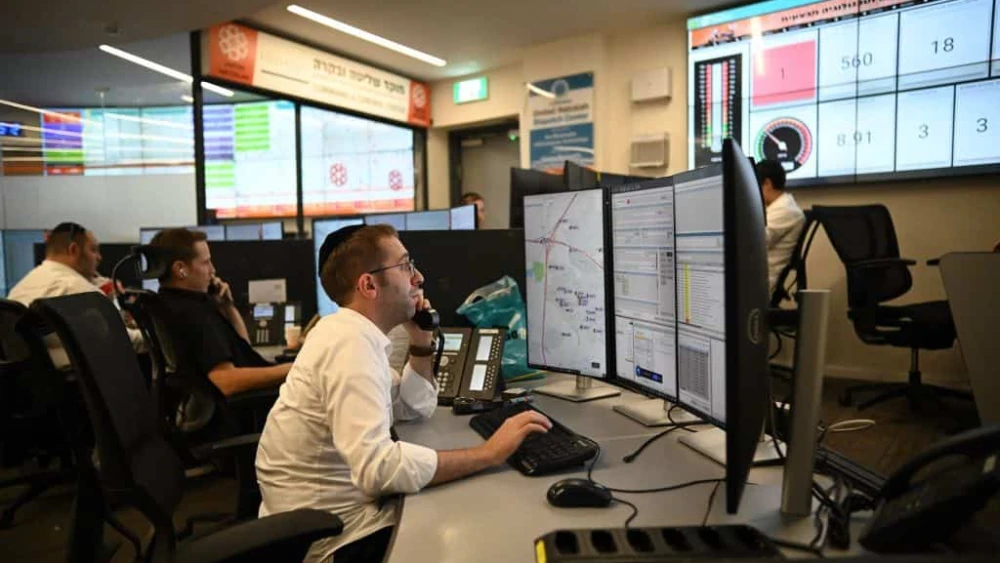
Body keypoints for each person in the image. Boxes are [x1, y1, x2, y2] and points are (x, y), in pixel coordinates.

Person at [255, 224, 550, 563]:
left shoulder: (352, 334)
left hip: (327, 517)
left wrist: (420, 343)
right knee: (483, 529)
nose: (419, 277)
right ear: (368, 284)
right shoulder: (349, 345)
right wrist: (489, 454)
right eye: (406, 266)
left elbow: (413, 408)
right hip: (331, 538)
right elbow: (377, 469)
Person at [150, 228, 291, 397]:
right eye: (206, 262)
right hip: (236, 414)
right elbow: (224, 380)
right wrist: (292, 370)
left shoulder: (169, 302)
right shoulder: (194, 311)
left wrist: (228, 308)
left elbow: (242, 351)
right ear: (181, 269)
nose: (213, 270)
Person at [8, 222, 145, 366]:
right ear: (74, 250)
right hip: (72, 381)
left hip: (27, 380)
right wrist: (159, 336)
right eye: (93, 250)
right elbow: (126, 343)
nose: (99, 257)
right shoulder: (78, 289)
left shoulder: (22, 286)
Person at [756, 159, 805, 293]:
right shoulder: (775, 208)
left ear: (767, 183)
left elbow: (755, 243)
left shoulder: (786, 210)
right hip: (754, 275)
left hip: (761, 282)